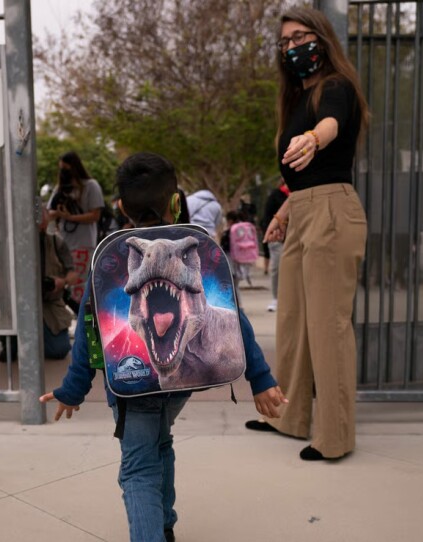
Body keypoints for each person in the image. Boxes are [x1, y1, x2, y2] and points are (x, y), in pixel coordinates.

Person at [39, 152, 286, 542]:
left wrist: (74, 388)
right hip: (178, 387)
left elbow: (91, 325)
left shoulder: (110, 254)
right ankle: (165, 524)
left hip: (130, 386)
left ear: (120, 207)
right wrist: (260, 377)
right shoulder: (196, 248)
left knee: (138, 468)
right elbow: (235, 317)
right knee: (162, 441)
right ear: (176, 203)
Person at [247, 6, 369, 462]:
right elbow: (302, 180)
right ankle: (289, 416)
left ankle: (335, 436)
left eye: (301, 37)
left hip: (333, 213)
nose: (293, 47)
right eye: (285, 43)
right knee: (293, 323)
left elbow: (332, 125)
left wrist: (315, 139)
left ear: (321, 38)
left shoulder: (335, 87)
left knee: (328, 327)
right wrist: (285, 211)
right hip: (305, 210)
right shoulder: (297, 98)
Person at [0, 198, 78, 362]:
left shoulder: (56, 242)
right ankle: (19, 339)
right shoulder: (10, 243)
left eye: (41, 215)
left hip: (49, 305)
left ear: (47, 217)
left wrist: (61, 282)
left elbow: (73, 274)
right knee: (9, 355)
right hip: (19, 306)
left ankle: (38, 339)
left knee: (59, 350)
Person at [47, 151, 104, 313]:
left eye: (66, 169)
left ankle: (82, 318)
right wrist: (58, 214)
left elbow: (95, 215)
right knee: (66, 285)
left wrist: (70, 217)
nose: (64, 173)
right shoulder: (60, 189)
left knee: (78, 287)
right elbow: (50, 212)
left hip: (83, 244)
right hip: (63, 243)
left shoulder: (90, 186)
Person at [259, 178, 290, 311]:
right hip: (277, 238)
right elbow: (267, 217)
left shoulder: (301, 192)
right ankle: (276, 298)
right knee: (276, 268)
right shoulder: (275, 195)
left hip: (295, 236)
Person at [222, 210, 258, 288]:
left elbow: (224, 247)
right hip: (242, 260)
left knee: (233, 288)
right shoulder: (245, 229)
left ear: (230, 221)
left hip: (232, 263)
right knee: (236, 287)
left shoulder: (229, 232)